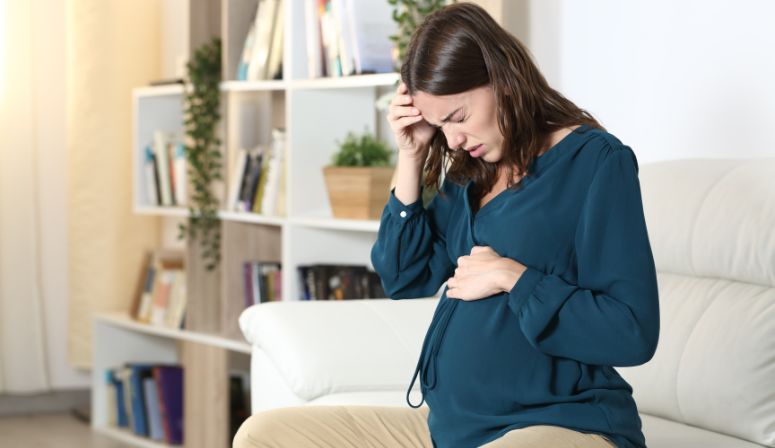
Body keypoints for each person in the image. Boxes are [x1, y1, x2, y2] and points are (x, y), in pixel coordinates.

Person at [233, 3, 659, 447]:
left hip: (558, 425)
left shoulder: (595, 163)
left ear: (504, 78)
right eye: (440, 126)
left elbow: (633, 331)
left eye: (457, 117)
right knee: (263, 436)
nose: (452, 140)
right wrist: (412, 156)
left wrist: (514, 278)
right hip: (453, 432)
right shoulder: (468, 173)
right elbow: (404, 277)